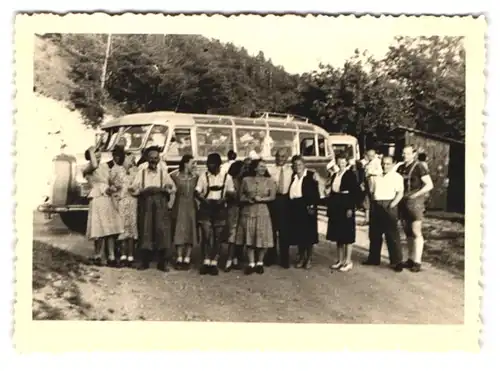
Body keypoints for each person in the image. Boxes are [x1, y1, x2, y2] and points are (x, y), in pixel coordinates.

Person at [130, 146, 176, 272]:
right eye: (151, 159)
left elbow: (173, 188)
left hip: (160, 204)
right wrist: (142, 191)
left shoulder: (163, 173)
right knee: (146, 230)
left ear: (159, 159)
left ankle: (162, 262)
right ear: (147, 159)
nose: (154, 161)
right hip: (146, 204)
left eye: (156, 158)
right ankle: (145, 261)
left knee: (161, 231)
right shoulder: (142, 172)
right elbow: (133, 188)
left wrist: (166, 189)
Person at [195, 153, 236, 275]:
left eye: (212, 164)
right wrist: (203, 200)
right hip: (206, 207)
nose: (209, 167)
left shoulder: (227, 177)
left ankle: (214, 262)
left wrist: (224, 200)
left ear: (218, 165)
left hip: (220, 207)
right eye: (208, 164)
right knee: (206, 235)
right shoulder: (203, 176)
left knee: (218, 237)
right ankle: (206, 261)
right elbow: (197, 191)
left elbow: (231, 193)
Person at [83, 146, 124, 266]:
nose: (98, 156)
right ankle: (97, 255)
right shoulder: (88, 168)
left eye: (99, 154)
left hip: (107, 198)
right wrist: (91, 150)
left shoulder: (105, 166)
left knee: (110, 228)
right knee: (99, 229)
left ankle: (111, 256)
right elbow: (94, 165)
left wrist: (115, 187)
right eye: (95, 154)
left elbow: (110, 180)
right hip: (97, 198)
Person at [363, 156, 405, 272]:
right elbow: (371, 192)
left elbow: (400, 193)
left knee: (392, 234)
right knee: (375, 233)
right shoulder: (376, 177)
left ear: (393, 164)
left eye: (388, 164)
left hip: (389, 204)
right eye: (383, 164)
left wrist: (392, 204)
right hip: (376, 204)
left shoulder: (397, 177)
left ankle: (396, 261)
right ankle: (374, 258)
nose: (385, 166)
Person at [397, 145, 434, 272]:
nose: (404, 156)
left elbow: (429, 185)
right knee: (407, 232)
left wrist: (416, 195)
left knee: (416, 231)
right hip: (404, 201)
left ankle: (417, 262)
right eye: (403, 153)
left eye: (407, 153)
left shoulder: (419, 166)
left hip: (415, 202)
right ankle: (410, 259)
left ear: (413, 154)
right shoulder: (401, 167)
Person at [237, 159, 277, 275]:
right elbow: (240, 196)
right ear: (255, 168)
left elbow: (272, 196)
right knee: (250, 236)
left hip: (263, 211)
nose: (263, 169)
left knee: (262, 237)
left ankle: (260, 263)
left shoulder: (270, 181)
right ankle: (251, 263)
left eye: (264, 167)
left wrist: (262, 199)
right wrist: (248, 200)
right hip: (249, 211)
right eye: (260, 166)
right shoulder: (246, 180)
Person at [325, 154, 359, 272]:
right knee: (338, 235)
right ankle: (340, 260)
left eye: (343, 162)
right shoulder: (335, 174)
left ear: (347, 162)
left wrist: (350, 208)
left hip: (346, 205)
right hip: (336, 206)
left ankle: (348, 261)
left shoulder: (350, 174)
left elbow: (354, 192)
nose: (341, 164)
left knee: (347, 235)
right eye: (339, 162)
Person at [288, 155, 321, 269]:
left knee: (308, 235)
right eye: (295, 165)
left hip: (307, 207)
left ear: (304, 165)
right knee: (299, 234)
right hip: (295, 207)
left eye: (300, 164)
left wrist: (311, 206)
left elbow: (316, 194)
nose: (298, 167)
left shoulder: (311, 176)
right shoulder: (293, 177)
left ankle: (309, 259)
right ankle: (301, 258)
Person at [267, 148, 294, 268]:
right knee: (272, 229)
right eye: (278, 156)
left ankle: (284, 259)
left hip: (286, 200)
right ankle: (271, 256)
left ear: (287, 158)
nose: (280, 159)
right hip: (274, 200)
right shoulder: (270, 170)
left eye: (283, 156)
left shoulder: (291, 170)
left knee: (285, 231)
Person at [171, 154, 199, 271]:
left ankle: (187, 258)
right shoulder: (174, 176)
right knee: (179, 230)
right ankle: (179, 257)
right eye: (192, 163)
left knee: (190, 230)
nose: (194, 166)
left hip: (191, 206)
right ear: (185, 163)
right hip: (179, 205)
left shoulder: (196, 177)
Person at [116, 153, 139, 267]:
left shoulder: (136, 172)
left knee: (132, 228)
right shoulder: (117, 171)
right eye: (130, 159)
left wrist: (136, 191)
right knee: (122, 228)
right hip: (121, 202)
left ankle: (131, 255)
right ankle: (122, 255)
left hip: (133, 202)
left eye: (133, 159)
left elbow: (139, 187)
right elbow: (112, 185)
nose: (132, 161)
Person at [224, 160, 245, 272]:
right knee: (233, 235)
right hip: (233, 209)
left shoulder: (240, 180)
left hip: (239, 209)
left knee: (237, 236)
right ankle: (229, 259)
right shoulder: (231, 181)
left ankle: (234, 259)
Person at [361, 149, 383, 225]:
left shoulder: (377, 162)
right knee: (367, 202)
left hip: (375, 186)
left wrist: (370, 172)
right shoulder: (368, 163)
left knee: (375, 203)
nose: (370, 156)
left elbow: (380, 172)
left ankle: (375, 220)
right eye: (369, 155)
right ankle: (367, 219)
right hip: (368, 185)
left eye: (371, 155)